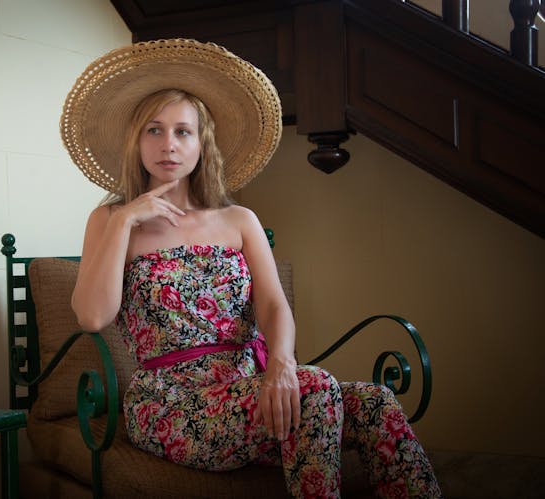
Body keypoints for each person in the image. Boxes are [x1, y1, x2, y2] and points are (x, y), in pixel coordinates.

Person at [63, 39, 441, 498]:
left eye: (183, 131)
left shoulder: (239, 221)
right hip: (171, 404)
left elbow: (272, 304)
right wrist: (124, 219)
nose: (168, 145)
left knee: (376, 403)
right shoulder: (109, 221)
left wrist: (281, 364)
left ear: (202, 142)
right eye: (154, 130)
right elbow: (91, 316)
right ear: (135, 140)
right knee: (316, 387)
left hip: (249, 385)